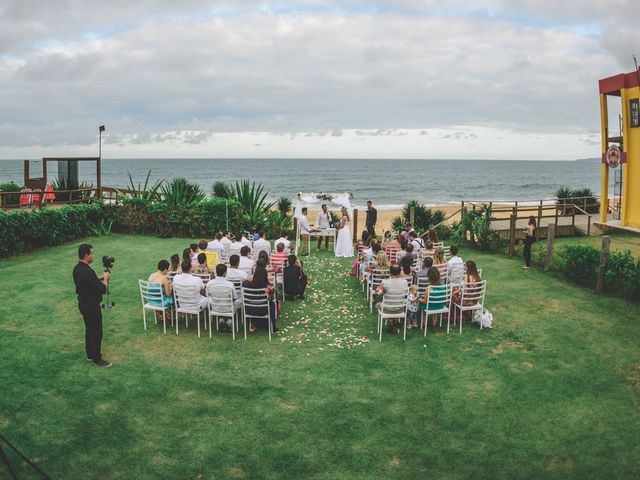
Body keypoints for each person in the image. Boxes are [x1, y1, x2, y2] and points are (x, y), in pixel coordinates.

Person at [72, 243, 111, 367]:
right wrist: (105, 279)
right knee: (97, 331)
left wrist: (98, 278)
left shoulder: (77, 269)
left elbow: (88, 283)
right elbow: (103, 289)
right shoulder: (88, 271)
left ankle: (89, 354)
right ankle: (96, 358)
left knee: (89, 330)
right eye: (91, 253)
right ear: (86, 255)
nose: (93, 256)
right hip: (92, 306)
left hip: (83, 304)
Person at [242, 264, 278, 333]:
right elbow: (272, 298)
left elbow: (245, 282)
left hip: (249, 309)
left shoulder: (246, 285)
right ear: (265, 276)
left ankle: (252, 323)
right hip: (264, 310)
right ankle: (273, 326)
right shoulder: (269, 287)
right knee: (272, 303)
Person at [206, 263, 241, 332]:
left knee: (225, 303)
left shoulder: (209, 283)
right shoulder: (230, 284)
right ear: (225, 273)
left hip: (215, 307)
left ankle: (222, 319)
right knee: (239, 302)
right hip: (228, 308)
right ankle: (228, 321)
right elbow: (234, 298)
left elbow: (208, 296)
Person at [376, 265, 409, 333]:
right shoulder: (405, 282)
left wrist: (379, 288)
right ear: (400, 272)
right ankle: (394, 322)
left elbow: (378, 292)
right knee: (395, 303)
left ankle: (391, 321)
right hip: (400, 308)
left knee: (377, 305)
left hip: (386, 309)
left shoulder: (385, 282)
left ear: (390, 272)